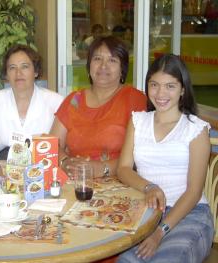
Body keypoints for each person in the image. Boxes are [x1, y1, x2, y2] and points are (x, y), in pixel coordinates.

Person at [117, 54, 214, 262]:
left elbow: (194, 191)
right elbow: (123, 168)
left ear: (183, 90)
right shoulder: (138, 121)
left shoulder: (196, 130)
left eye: (170, 86)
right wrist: (149, 187)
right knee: (125, 260)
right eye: (154, 85)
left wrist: (160, 232)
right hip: (147, 210)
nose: (160, 93)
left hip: (190, 214)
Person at [50, 36, 147, 178]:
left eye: (112, 60)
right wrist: (65, 162)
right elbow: (52, 144)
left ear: (122, 69)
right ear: (89, 66)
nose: (103, 66)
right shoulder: (74, 100)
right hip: (75, 183)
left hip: (119, 185)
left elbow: (143, 154)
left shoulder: (135, 100)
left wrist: (102, 169)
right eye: (97, 59)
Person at [0, 44, 63, 160]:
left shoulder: (56, 102)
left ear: (35, 72)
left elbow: (61, 148)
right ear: (6, 74)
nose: (18, 73)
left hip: (43, 166)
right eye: (12, 68)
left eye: (24, 67)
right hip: (5, 166)